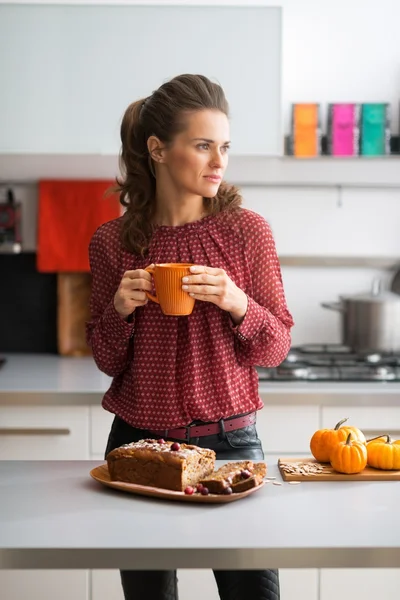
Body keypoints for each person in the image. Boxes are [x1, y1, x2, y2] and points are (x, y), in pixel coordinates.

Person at [86, 73, 294, 600]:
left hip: (230, 444)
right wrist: (119, 310)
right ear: (158, 149)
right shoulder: (112, 242)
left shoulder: (247, 232)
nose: (218, 161)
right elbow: (107, 359)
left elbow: (276, 347)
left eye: (223, 146)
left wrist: (236, 301)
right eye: (202, 146)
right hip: (138, 445)